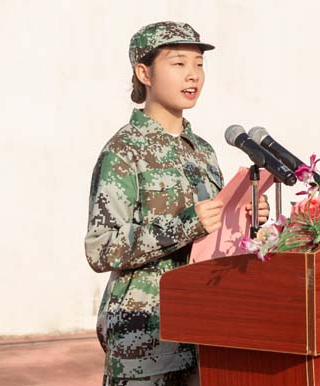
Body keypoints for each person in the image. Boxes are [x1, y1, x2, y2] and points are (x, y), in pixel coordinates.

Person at [85, 21, 269, 386]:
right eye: (179, 63)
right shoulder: (124, 151)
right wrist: (186, 223)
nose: (193, 75)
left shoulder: (202, 151)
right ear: (144, 73)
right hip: (145, 338)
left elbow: (211, 238)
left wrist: (245, 217)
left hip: (204, 330)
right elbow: (100, 248)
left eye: (199, 64)